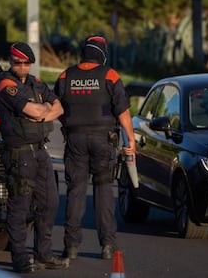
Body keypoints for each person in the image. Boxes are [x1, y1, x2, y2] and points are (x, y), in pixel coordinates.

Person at [54, 35, 135, 260]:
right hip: (103, 140)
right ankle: (107, 245)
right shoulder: (110, 75)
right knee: (103, 191)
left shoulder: (65, 75)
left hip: (75, 140)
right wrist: (130, 140)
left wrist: (71, 126)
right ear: (102, 53)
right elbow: (123, 112)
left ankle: (70, 246)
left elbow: (55, 107)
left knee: (76, 191)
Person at [0, 42, 69, 273]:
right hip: (19, 151)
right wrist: (42, 110)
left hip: (39, 149)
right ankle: (20, 257)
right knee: (20, 206)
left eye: (27, 63)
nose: (23, 67)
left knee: (50, 202)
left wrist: (42, 114)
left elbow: (59, 108)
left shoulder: (36, 83)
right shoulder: (6, 85)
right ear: (11, 61)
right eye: (18, 62)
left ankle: (44, 254)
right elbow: (36, 110)